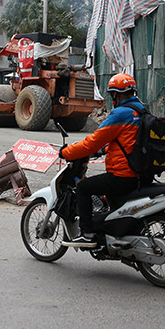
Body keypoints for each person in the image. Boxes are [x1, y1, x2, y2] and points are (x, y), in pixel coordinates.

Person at [59, 72, 144, 246]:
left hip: (122, 175)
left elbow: (92, 143)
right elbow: (127, 141)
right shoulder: (141, 111)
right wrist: (105, 149)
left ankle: (87, 234)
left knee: (83, 187)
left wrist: (66, 153)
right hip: (140, 174)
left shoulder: (121, 113)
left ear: (116, 94)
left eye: (113, 94)